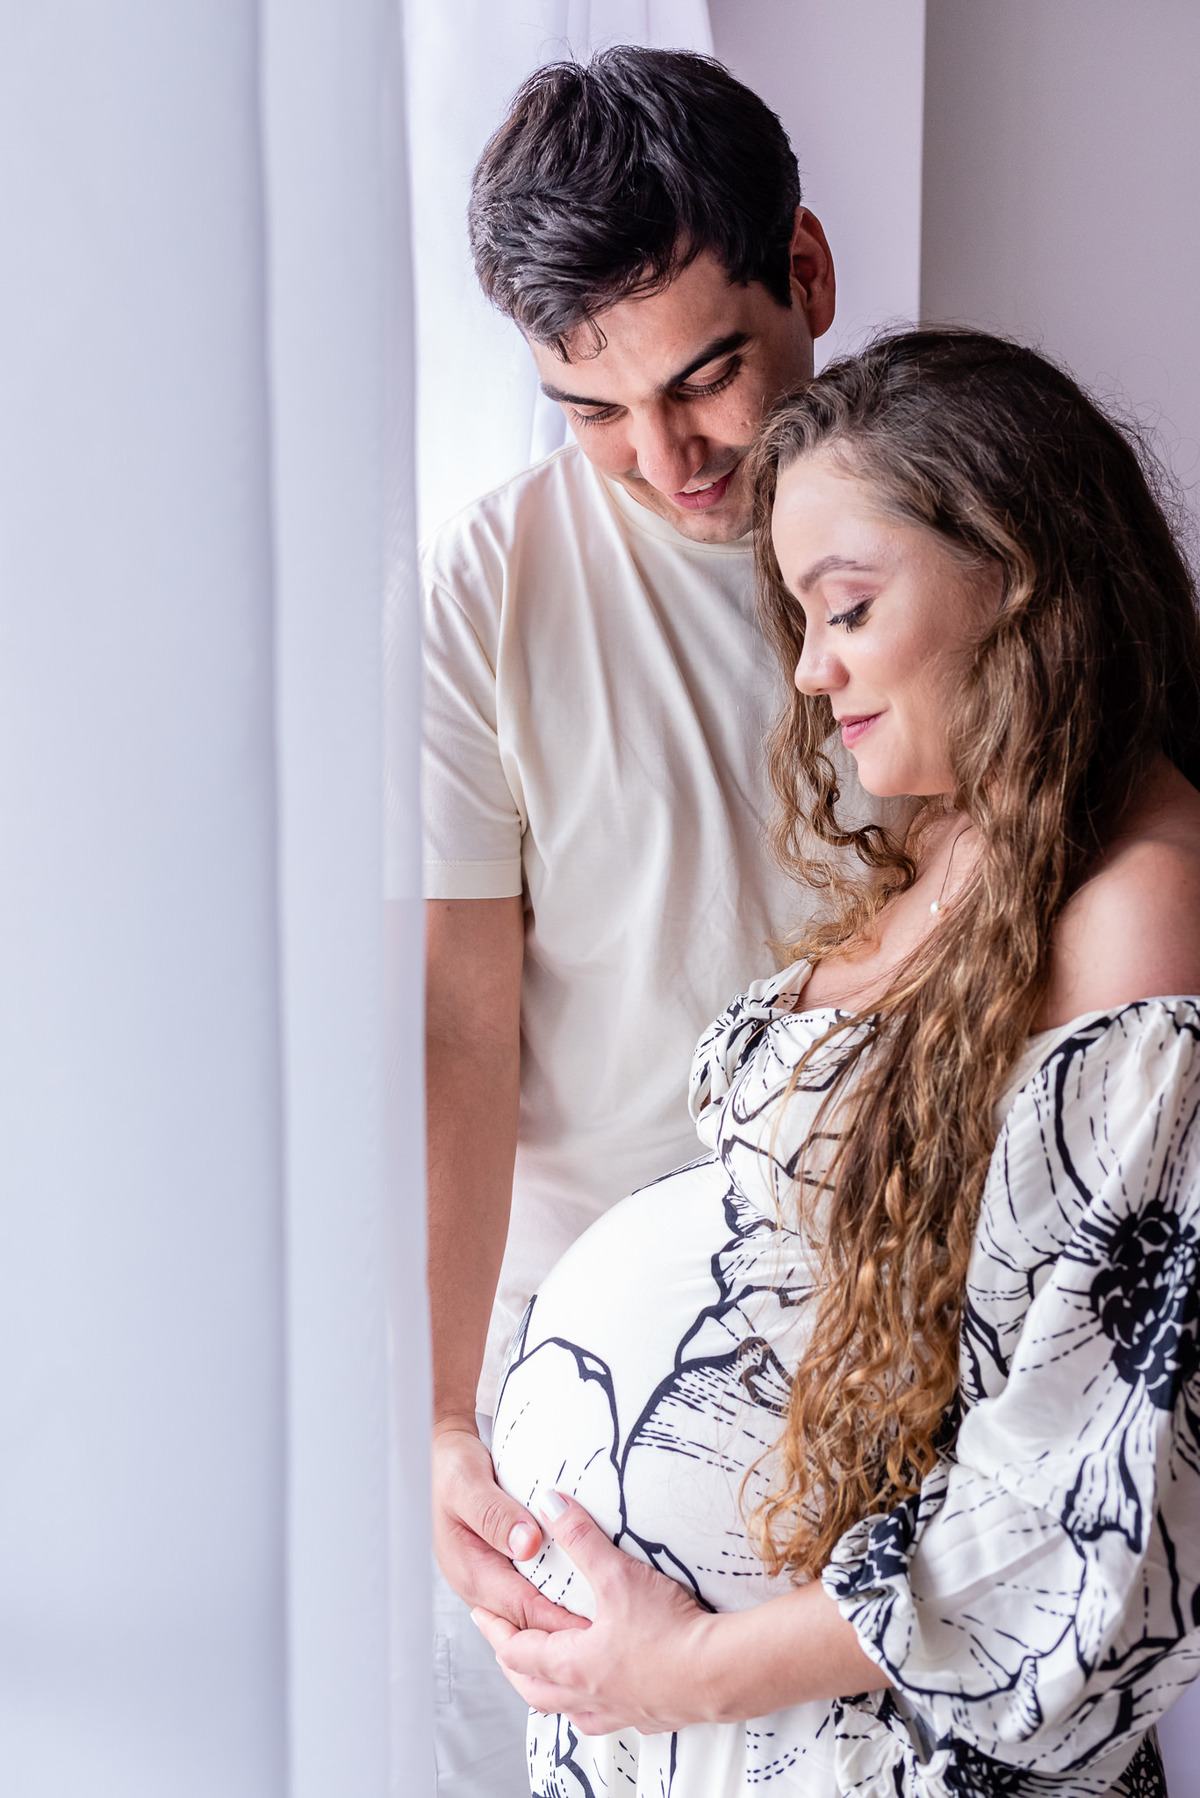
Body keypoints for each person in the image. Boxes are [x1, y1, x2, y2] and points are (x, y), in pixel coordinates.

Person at [473, 329, 1200, 1797]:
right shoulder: (972, 853)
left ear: (1017, 566)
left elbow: (1080, 1502)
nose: (811, 672)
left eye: (847, 608)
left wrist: (678, 1669)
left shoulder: (1142, 909)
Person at [424, 48, 896, 1793]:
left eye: (707, 378)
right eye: (591, 409)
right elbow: (459, 1029)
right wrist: (441, 1412)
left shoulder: (961, 534)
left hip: (902, 1332)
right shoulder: (481, 594)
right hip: (600, 1390)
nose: (664, 454)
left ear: (812, 274)